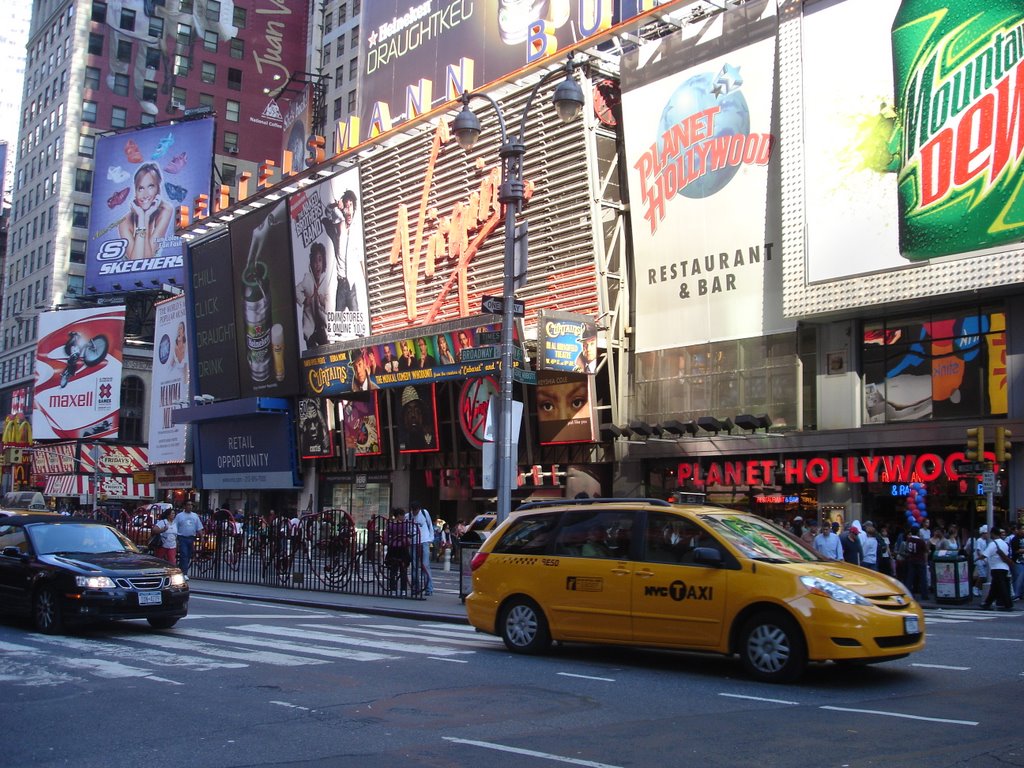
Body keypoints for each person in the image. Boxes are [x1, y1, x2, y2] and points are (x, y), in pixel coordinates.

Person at [117, 162, 174, 260]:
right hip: (127, 273)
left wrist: (146, 217)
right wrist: (142, 218)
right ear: (135, 192)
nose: (145, 194)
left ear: (158, 189)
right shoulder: (124, 222)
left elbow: (147, 258)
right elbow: (137, 261)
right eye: (141, 188)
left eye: (151, 186)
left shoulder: (166, 210)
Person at [321, 189, 362, 312]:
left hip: (352, 285)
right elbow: (327, 212)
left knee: (359, 325)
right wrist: (335, 206)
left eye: (351, 206)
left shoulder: (357, 230)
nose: (348, 209)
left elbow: (361, 259)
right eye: (346, 206)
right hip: (341, 284)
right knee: (337, 325)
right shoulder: (338, 229)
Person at [295, 241, 330, 348]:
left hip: (323, 329)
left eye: (320, 260)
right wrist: (305, 300)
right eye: (314, 261)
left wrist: (325, 302)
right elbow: (296, 290)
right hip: (309, 329)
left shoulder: (327, 281)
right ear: (311, 263)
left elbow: (331, 303)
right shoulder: (307, 279)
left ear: (324, 262)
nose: (317, 264)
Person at [980, 527, 1014, 611]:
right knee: (995, 587)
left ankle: (1008, 603)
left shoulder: (993, 544)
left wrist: (977, 558)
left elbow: (985, 554)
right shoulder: (1005, 543)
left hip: (996, 568)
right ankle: (987, 603)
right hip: (1005, 567)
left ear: (993, 534)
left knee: (1001, 587)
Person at [383, 507, 412, 595]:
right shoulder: (404, 525)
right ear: (399, 516)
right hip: (402, 548)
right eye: (402, 515)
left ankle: (393, 589)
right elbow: (408, 536)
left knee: (393, 570)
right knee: (403, 570)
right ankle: (403, 589)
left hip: (393, 548)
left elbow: (387, 536)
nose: (404, 517)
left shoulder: (390, 525)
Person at [409, 501, 435, 596]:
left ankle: (429, 588)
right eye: (413, 510)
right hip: (414, 543)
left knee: (425, 565)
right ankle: (415, 587)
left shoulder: (424, 513)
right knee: (414, 566)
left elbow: (430, 525)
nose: (415, 512)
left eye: (416, 510)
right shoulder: (409, 516)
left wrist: (430, 539)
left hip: (424, 541)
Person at [398, 386, 434, 450]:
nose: (413, 415)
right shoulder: (402, 439)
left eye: (417, 411)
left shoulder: (430, 434)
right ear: (404, 417)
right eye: (409, 411)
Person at [174, 501, 204, 576]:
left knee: (188, 555)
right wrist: (175, 538)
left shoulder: (195, 516)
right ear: (185, 506)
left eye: (191, 505)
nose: (190, 506)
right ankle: (184, 573)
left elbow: (199, 527)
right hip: (182, 537)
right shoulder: (179, 516)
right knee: (184, 554)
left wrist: (202, 537)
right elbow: (175, 527)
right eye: (188, 505)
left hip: (191, 537)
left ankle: (181, 570)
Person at [902, 524, 929, 602]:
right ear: (917, 532)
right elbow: (925, 550)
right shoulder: (921, 541)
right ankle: (924, 595)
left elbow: (907, 549)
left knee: (910, 578)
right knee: (923, 578)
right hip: (920, 560)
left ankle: (908, 593)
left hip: (911, 560)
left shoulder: (909, 540)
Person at [971, 525, 991, 598]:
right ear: (983, 533)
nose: (987, 535)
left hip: (984, 560)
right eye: (986, 533)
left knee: (984, 575)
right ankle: (975, 588)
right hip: (980, 560)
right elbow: (978, 551)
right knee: (982, 575)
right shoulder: (979, 540)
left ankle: (979, 588)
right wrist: (982, 558)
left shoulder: (986, 541)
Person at [1009, 522, 1024, 601]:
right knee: (1018, 577)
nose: (1023, 530)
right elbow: (1015, 551)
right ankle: (1016, 594)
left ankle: (1021, 594)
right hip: (1018, 561)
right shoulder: (1015, 539)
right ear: (1017, 530)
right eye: (1022, 529)